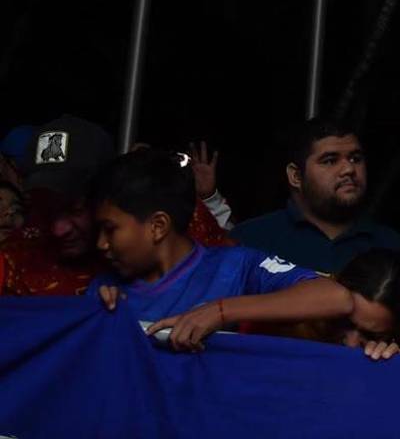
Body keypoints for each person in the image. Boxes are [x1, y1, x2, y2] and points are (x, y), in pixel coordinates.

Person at [88, 149, 358, 353]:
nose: (101, 244)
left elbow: (335, 297)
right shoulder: (105, 290)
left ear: (158, 226)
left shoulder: (236, 267)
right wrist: (93, 315)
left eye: (110, 229)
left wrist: (219, 312)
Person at [0, 115, 228, 296]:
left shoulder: (173, 227)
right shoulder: (16, 259)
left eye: (75, 209)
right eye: (46, 210)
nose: (57, 229)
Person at [231, 118, 400, 273]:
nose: (349, 169)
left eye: (355, 159)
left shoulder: (390, 245)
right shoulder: (250, 241)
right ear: (296, 176)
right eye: (330, 161)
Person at [332, 248, 400, 360]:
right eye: (344, 323)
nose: (351, 344)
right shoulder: (306, 323)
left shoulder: (394, 353)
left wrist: (393, 365)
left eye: (370, 336)